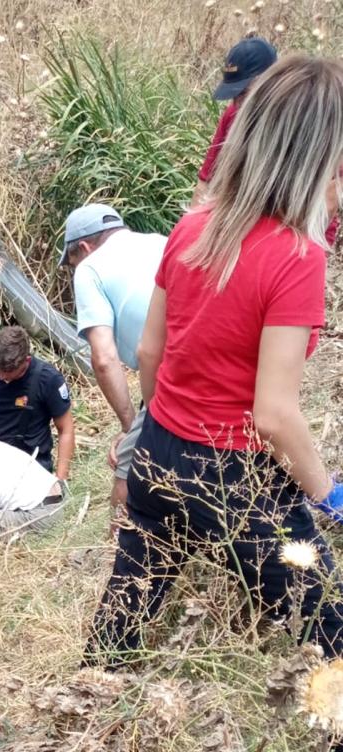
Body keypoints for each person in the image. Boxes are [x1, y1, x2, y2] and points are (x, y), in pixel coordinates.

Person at [87, 56, 343, 668]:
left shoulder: (194, 225)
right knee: (331, 626)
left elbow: (150, 351)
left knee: (119, 627)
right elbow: (275, 415)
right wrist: (330, 497)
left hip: (157, 453)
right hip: (234, 477)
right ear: (322, 159)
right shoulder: (297, 257)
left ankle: (80, 716)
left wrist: (160, 425)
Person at [60, 203, 166, 530]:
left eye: (72, 260)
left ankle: (119, 553)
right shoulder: (160, 241)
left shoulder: (89, 268)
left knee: (129, 464)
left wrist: (129, 425)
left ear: (84, 247)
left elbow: (104, 359)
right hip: (222, 350)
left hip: (173, 366)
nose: (73, 268)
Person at [0, 326, 75, 480]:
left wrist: (61, 479)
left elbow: (66, 430)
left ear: (26, 361)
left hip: (32, 464)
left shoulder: (49, 379)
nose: (2, 377)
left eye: (9, 373)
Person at [190, 36, 277, 208]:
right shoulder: (234, 114)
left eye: (245, 93)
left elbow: (327, 196)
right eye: (234, 95)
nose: (238, 104)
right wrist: (189, 228)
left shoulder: (302, 121)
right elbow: (206, 183)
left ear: (273, 80)